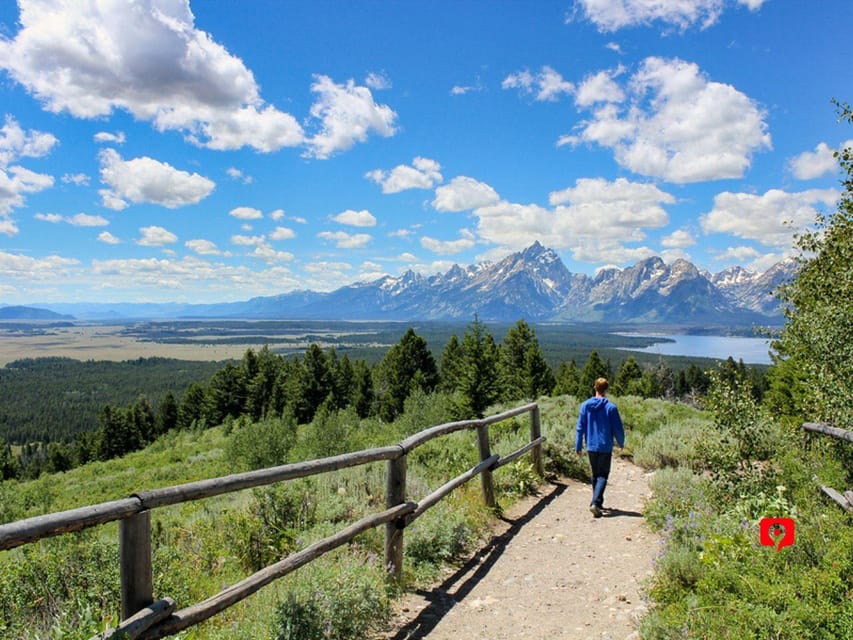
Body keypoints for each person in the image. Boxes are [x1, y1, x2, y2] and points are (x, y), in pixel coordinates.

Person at [575, 377, 624, 518]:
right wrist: (621, 442)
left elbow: (580, 427)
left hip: (591, 445)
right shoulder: (611, 408)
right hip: (605, 446)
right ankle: (595, 503)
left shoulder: (585, 406)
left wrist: (578, 444)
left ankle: (598, 502)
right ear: (606, 390)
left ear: (595, 388)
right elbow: (617, 428)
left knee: (595, 474)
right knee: (603, 475)